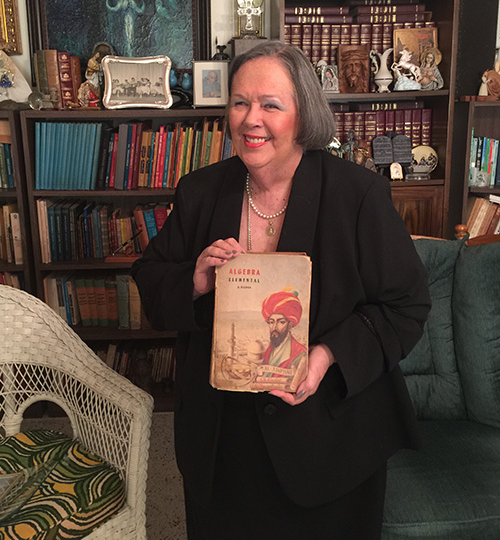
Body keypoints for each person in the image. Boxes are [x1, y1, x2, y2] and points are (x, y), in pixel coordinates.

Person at [131, 40, 431, 539]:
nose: (252, 119)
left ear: (303, 114)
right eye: (240, 102)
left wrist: (326, 355)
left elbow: (406, 305)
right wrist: (197, 279)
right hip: (221, 439)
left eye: (271, 104)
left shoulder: (357, 195)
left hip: (327, 435)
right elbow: (149, 277)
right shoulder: (201, 191)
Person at [261, 288, 307, 373]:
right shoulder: (269, 351)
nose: (274, 327)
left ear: (290, 325)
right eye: (271, 322)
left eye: (281, 322)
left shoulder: (300, 354)